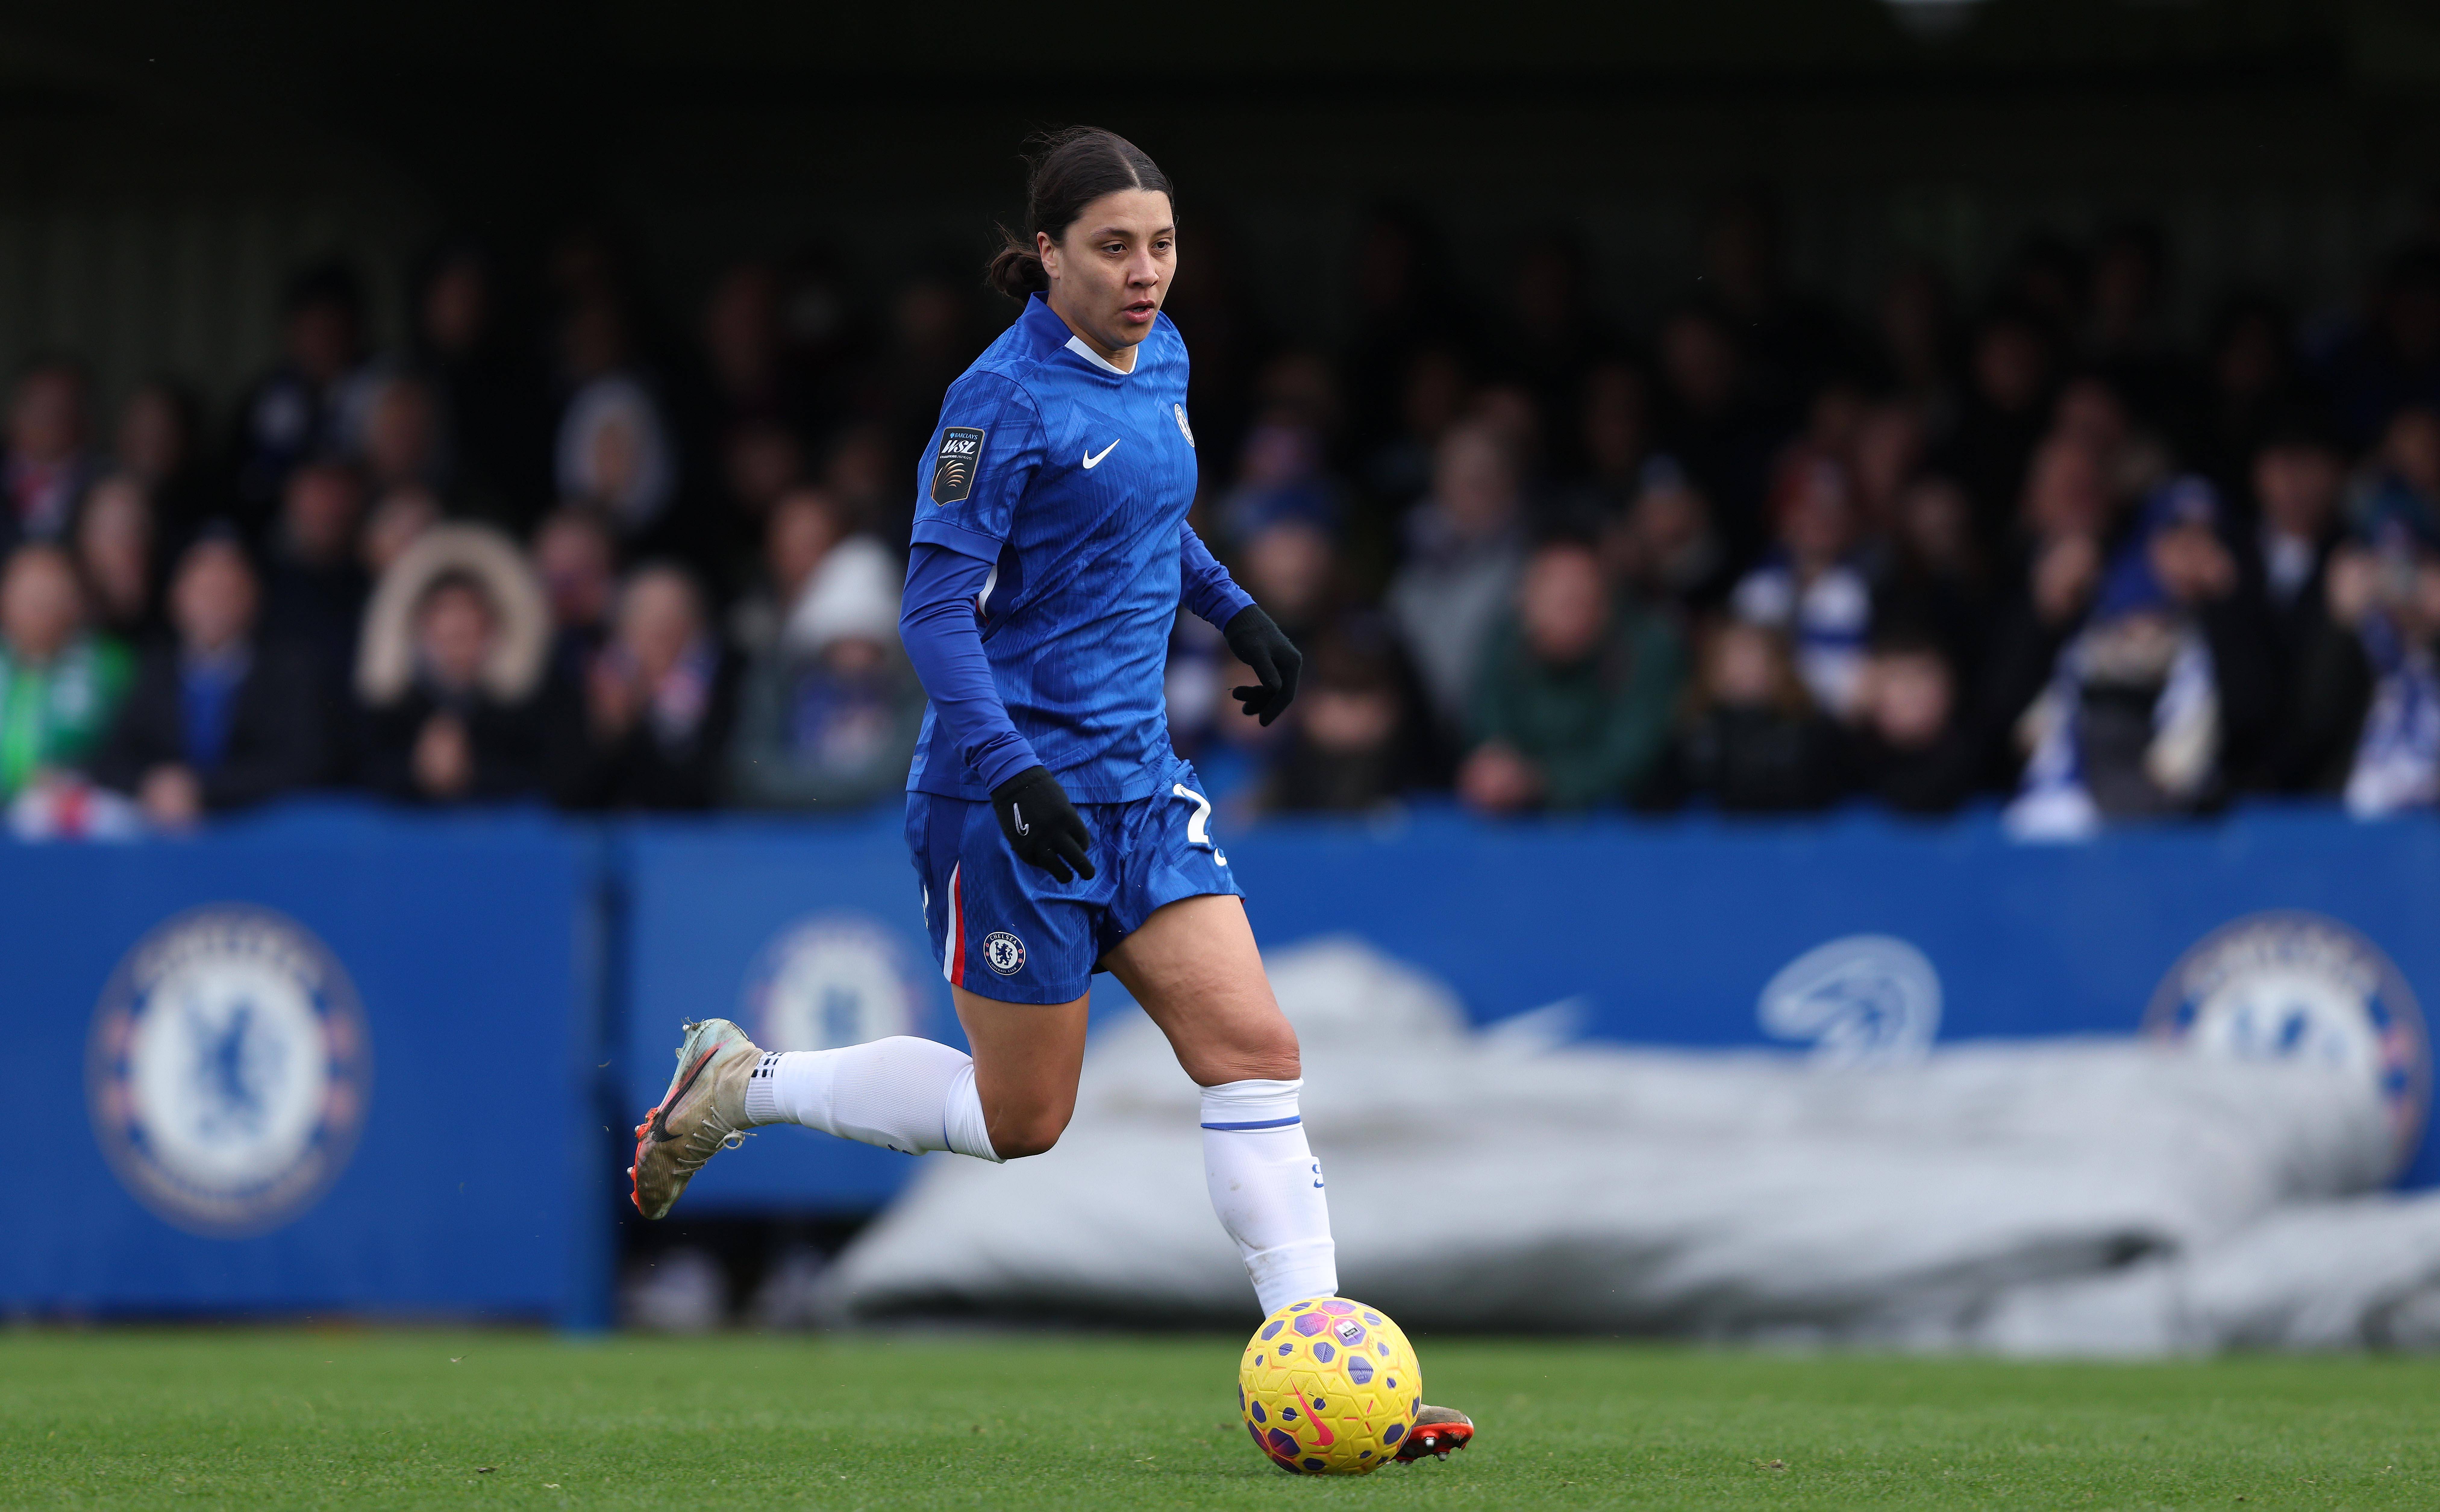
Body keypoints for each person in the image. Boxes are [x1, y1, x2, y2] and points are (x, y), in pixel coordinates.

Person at [621, 127, 1473, 1462]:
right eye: (1115, 247)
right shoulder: (997, 400)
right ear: (1048, 254)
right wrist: (1011, 767)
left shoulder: (1161, 354)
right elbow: (931, 611)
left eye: (1163, 245)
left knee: (1255, 1051)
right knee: (1023, 1123)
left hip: (1139, 788)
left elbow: (1144, 517)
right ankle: (746, 1081)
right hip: (1004, 797)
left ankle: (1324, 1373)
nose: (1146, 272)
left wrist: (1237, 611)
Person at [87, 533, 327, 825]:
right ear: (177, 598)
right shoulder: (152, 669)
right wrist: (154, 784)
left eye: (227, 591)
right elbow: (110, 758)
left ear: (254, 596)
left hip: (258, 829)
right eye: (203, 591)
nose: (215, 603)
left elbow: (303, 763)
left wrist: (203, 790)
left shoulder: (289, 670)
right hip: (163, 831)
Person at [1457, 536, 1682, 814]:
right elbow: (1490, 731)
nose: (1572, 610)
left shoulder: (1647, 647)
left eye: (1582, 597)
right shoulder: (1504, 642)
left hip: (1632, 819)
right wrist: (1494, 768)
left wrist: (1539, 781)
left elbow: (1631, 757)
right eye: (1559, 598)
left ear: (1607, 601)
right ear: (1524, 600)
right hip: (1517, 819)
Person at [355, 524, 552, 805]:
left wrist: (469, 771)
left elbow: (544, 778)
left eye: (470, 609)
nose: (458, 623)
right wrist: (419, 771)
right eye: (443, 609)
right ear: (421, 625)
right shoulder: (391, 704)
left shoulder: (523, 704)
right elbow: (361, 772)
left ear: (492, 625)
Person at [555, 564, 739, 811]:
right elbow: (569, 794)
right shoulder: (590, 684)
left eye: (674, 621)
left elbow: (702, 793)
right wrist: (610, 731)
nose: (661, 634)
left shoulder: (726, 688)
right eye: (647, 622)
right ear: (622, 630)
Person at [0, 542, 131, 800]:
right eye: (29, 596)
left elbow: (130, 751)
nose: (40, 609)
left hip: (72, 811)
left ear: (77, 604)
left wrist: (72, 778)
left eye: (52, 596)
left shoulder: (112, 666)